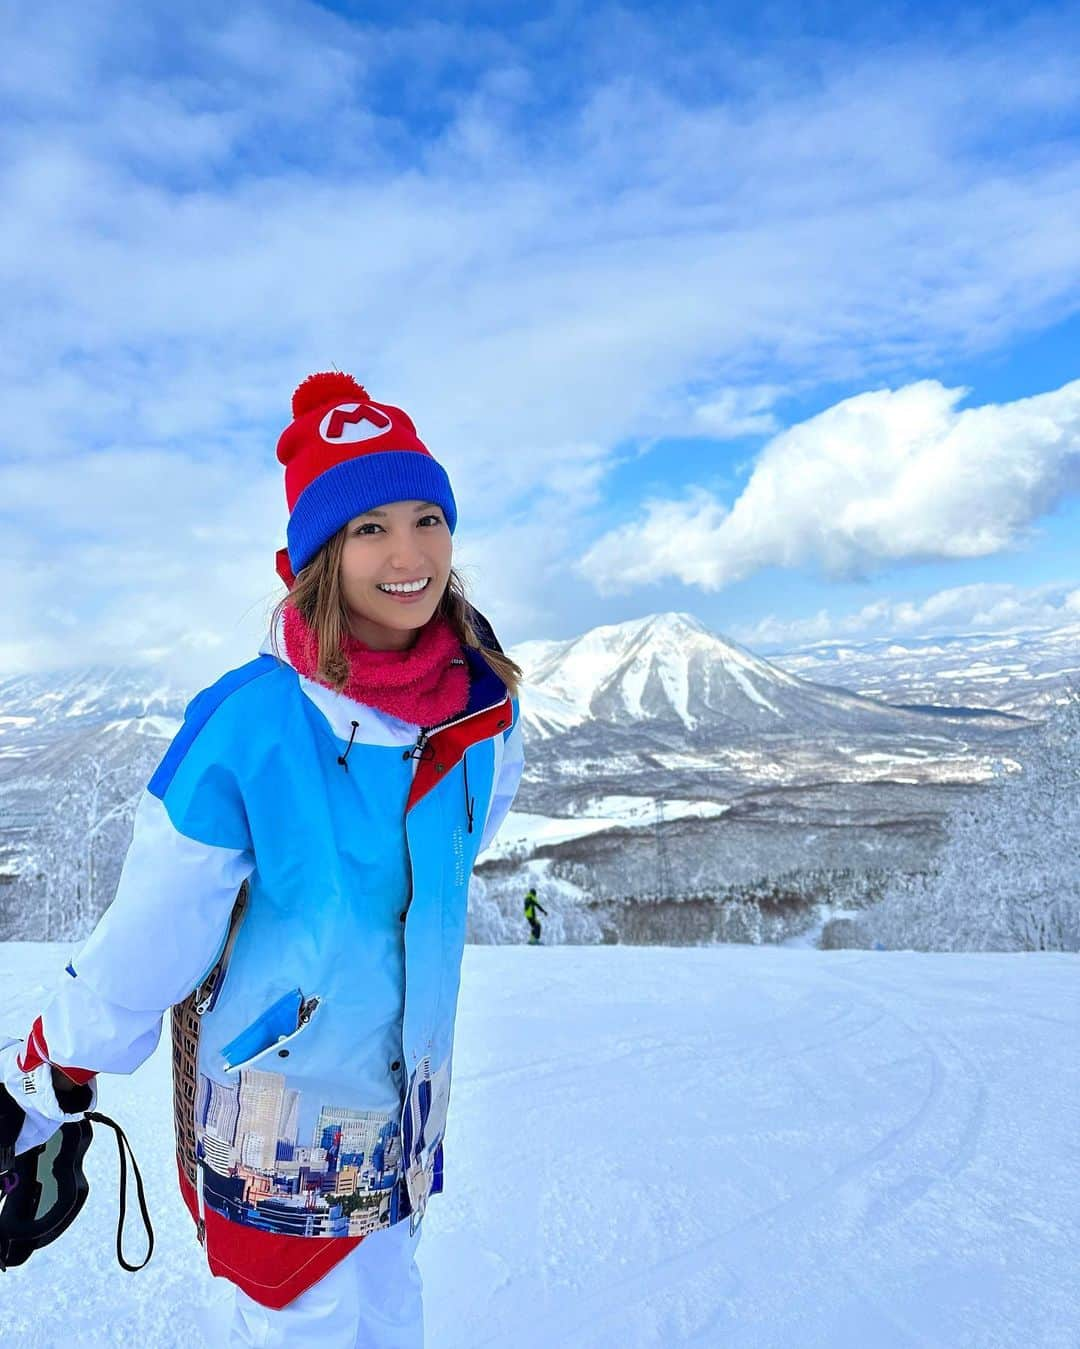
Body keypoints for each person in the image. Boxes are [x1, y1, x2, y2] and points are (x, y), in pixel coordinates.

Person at [0, 371, 525, 1346]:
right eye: (370, 527)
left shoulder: (482, 708)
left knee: (386, 1314)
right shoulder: (250, 724)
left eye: (426, 517)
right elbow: (149, 940)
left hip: (401, 1127)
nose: (409, 553)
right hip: (279, 1135)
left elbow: (444, 859)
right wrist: (47, 1071)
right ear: (318, 553)